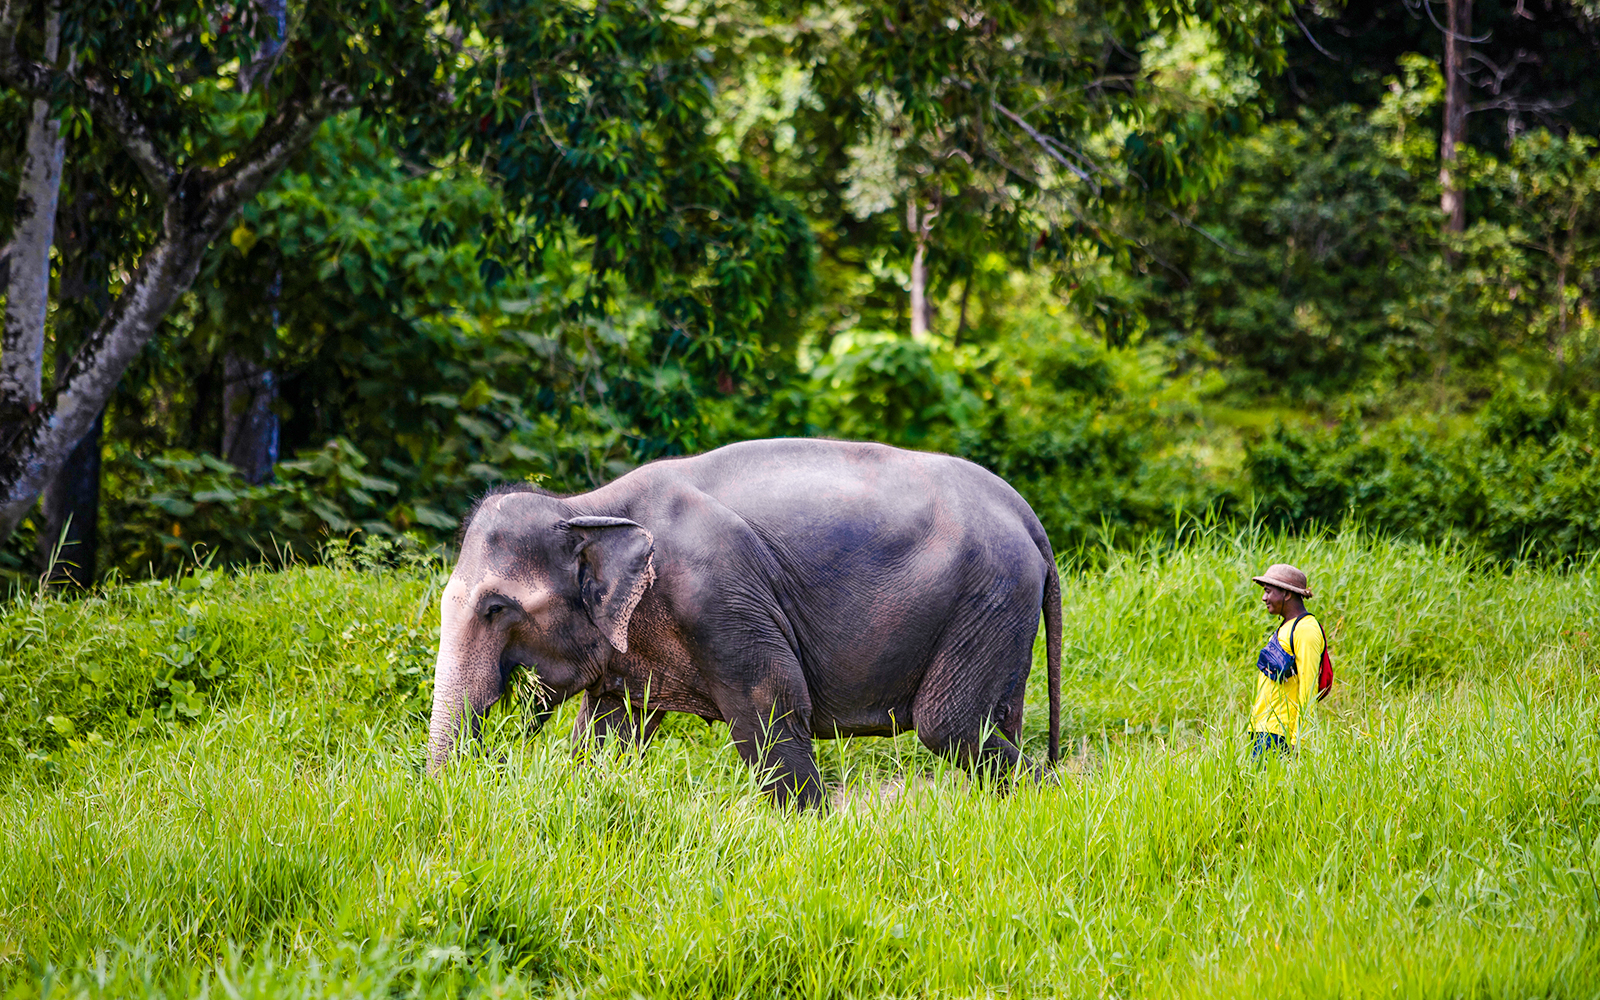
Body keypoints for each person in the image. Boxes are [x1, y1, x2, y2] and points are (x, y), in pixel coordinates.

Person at [1248, 563, 1326, 759]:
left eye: (1268, 591)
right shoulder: (1286, 626)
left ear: (1287, 594)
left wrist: (1299, 740)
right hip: (1264, 729)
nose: (1264, 598)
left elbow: (1309, 688)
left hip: (1280, 734)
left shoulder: (1305, 629)